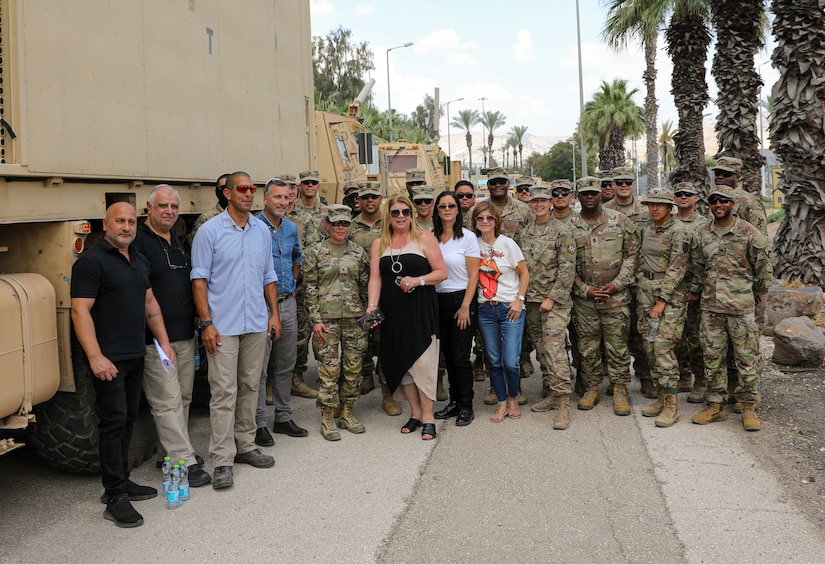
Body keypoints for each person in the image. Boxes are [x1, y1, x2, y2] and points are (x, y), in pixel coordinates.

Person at [71, 202, 175, 528]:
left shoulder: (139, 260)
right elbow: (80, 311)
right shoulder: (91, 262)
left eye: (131, 221)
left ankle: (122, 479)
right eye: (120, 221)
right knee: (113, 423)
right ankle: (114, 496)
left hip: (135, 353)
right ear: (106, 224)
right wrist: (95, 356)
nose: (127, 226)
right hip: (109, 359)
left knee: (128, 419)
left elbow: (150, 304)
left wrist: (164, 343)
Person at [191, 171, 280, 489]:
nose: (248, 193)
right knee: (223, 392)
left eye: (252, 189)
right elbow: (198, 280)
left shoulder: (261, 231)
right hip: (223, 327)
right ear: (227, 193)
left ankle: (245, 445)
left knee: (251, 386)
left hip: (256, 322)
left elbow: (269, 276)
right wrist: (206, 323)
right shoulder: (209, 232)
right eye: (242, 188)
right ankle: (222, 460)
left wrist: (274, 315)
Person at [133, 185, 210, 488]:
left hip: (183, 335)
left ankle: (169, 452)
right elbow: (144, 295)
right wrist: (162, 338)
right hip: (156, 339)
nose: (169, 211)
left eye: (174, 207)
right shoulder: (140, 242)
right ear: (148, 209)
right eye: (162, 205)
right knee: (166, 401)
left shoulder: (175, 240)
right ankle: (183, 460)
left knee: (184, 397)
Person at [689, 185, 772, 431]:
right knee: (712, 359)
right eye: (714, 201)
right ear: (710, 204)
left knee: (746, 359)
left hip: (741, 308)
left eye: (723, 201)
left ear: (733, 204)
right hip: (711, 308)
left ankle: (747, 407)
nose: (718, 205)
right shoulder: (703, 233)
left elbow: (764, 271)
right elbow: (697, 265)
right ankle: (716, 405)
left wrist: (751, 294)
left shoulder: (750, 233)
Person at [366, 194, 447, 440]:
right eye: (395, 213)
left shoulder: (424, 238)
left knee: (423, 363)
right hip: (393, 312)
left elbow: (442, 272)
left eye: (405, 212)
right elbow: (375, 279)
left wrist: (418, 280)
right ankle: (415, 414)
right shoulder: (379, 243)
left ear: (411, 215)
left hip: (420, 310)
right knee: (403, 367)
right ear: (388, 217)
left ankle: (429, 416)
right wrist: (372, 306)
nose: (401, 217)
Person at [570, 176, 638, 416]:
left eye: (593, 193)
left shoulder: (620, 221)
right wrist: (583, 289)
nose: (589, 197)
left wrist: (617, 285)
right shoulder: (571, 227)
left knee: (617, 346)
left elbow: (632, 254)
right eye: (585, 194)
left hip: (615, 298)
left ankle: (619, 389)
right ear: (578, 197)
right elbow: (566, 266)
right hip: (585, 300)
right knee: (587, 348)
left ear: (601, 194)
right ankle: (591, 388)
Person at [305, 205, 370, 440]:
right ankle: (327, 415)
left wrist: (367, 317)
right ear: (328, 224)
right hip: (326, 321)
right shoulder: (315, 252)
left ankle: (347, 411)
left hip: (355, 319)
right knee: (329, 370)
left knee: (353, 368)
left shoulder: (358, 252)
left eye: (345, 223)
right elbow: (310, 288)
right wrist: (315, 320)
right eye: (336, 223)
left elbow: (365, 286)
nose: (340, 227)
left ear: (350, 226)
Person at [254, 178, 307, 447]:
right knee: (259, 369)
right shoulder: (252, 228)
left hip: (287, 303)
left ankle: (283, 417)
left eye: (286, 198)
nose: (282, 202)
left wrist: (294, 284)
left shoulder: (290, 228)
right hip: (261, 306)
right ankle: (258, 423)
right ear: (265, 199)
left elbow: (296, 256)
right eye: (277, 197)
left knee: (286, 364)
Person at [521, 185, 577, 430]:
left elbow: (567, 270)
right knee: (542, 350)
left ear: (551, 202)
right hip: (531, 300)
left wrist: (552, 299)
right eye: (535, 201)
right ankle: (552, 392)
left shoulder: (562, 232)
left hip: (554, 303)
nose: (539, 204)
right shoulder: (525, 232)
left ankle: (564, 402)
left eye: (544, 200)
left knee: (555, 349)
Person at [635, 188, 690, 428]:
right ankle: (660, 397)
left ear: (670, 207)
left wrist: (662, 300)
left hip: (668, 299)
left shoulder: (679, 232)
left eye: (660, 204)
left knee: (663, 348)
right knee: (649, 347)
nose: (654, 208)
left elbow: (677, 269)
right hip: (645, 292)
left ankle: (671, 406)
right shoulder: (647, 227)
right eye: (651, 204)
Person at [472, 200, 529, 423]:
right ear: (475, 222)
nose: (485, 221)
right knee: (493, 360)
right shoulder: (472, 244)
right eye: (480, 218)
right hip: (486, 310)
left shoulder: (508, 244)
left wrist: (519, 300)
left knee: (510, 361)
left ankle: (513, 397)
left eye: (489, 218)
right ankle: (502, 402)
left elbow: (524, 273)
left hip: (510, 309)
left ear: (497, 221)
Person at [348, 183, 402, 416]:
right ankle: (366, 376)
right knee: (361, 342)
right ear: (358, 200)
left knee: (385, 342)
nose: (369, 200)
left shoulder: (390, 224)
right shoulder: (348, 226)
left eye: (374, 196)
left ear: (380, 198)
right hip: (356, 294)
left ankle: (387, 394)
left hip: (384, 293)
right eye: (365, 197)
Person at [481, 167, 532, 406]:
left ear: (508, 183)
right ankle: (496, 388)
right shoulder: (478, 210)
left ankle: (516, 388)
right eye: (494, 182)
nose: (498, 185)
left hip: (516, 279)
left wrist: (520, 296)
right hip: (488, 290)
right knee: (490, 351)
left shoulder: (524, 210)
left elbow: (532, 242)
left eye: (502, 181)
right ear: (488, 185)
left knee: (514, 350)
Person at [604, 166, 654, 399]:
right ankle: (616, 380)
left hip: (641, 282)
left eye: (628, 181)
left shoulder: (646, 210)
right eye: (619, 182)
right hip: (614, 283)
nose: (624, 185)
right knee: (616, 334)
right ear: (612, 185)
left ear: (634, 184)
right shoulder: (604, 212)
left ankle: (646, 377)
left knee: (642, 332)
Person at [432, 191, 481, 427]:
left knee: (461, 357)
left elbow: (474, 276)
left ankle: (467, 406)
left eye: (452, 205)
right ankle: (454, 402)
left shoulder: (468, 238)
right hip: (437, 301)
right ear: (437, 210)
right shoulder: (430, 237)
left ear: (458, 210)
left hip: (462, 300)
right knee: (448, 356)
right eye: (443, 206)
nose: (448, 209)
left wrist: (465, 307)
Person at [672, 182, 709, 403]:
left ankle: (701, 380)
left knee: (695, 338)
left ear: (696, 198)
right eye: (679, 194)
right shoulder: (669, 222)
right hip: (673, 288)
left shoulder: (704, 225)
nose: (683, 197)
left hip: (695, 288)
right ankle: (683, 376)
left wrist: (695, 289)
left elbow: (704, 260)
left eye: (688, 194)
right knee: (677, 336)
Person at [288, 171, 323, 400]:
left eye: (313, 182)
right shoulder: (261, 219)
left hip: (302, 284)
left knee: (303, 332)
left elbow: (311, 251)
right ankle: (280, 379)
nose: (290, 193)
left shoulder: (307, 219)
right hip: (277, 287)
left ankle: (298, 377)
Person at [188, 173, 229, 246]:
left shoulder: (247, 218)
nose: (227, 192)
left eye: (230, 188)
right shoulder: (206, 219)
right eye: (223, 188)